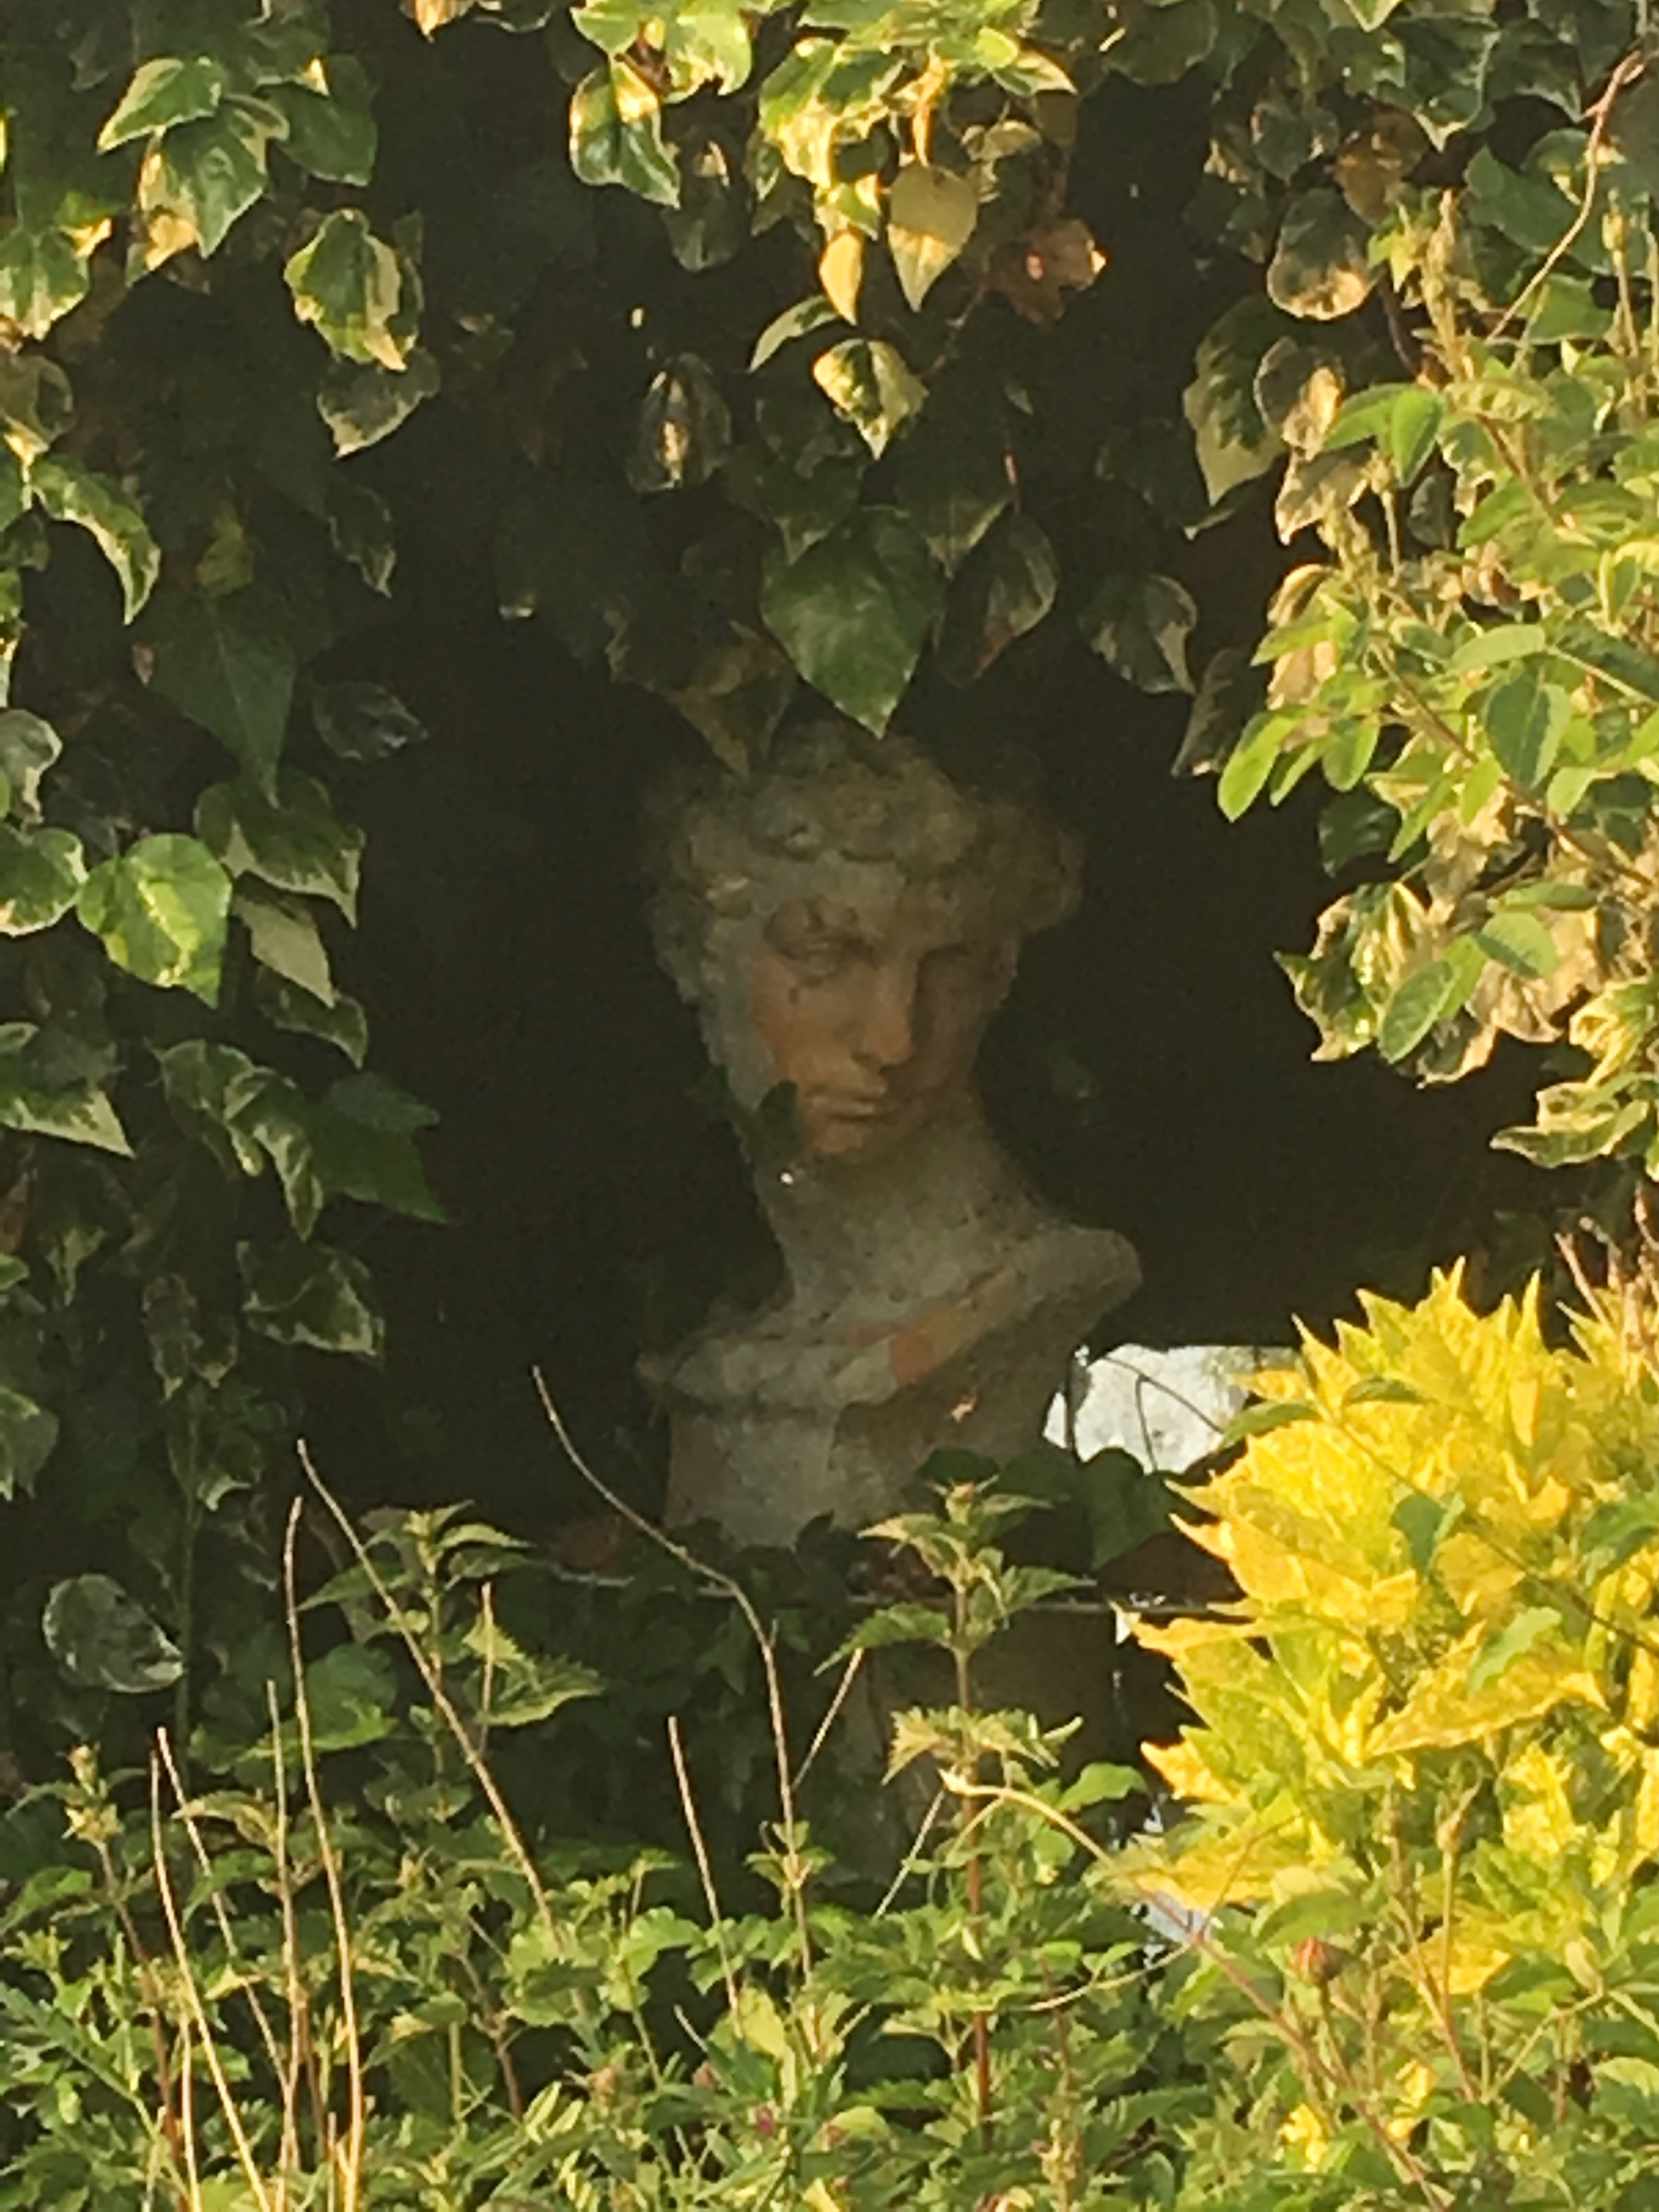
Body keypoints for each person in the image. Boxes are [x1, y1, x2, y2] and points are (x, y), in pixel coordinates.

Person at [643, 720, 1139, 1547]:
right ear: (702, 956)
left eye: (948, 967)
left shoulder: (1033, 1286)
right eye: (828, 956)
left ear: (1001, 974)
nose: (894, 1040)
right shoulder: (727, 1298)